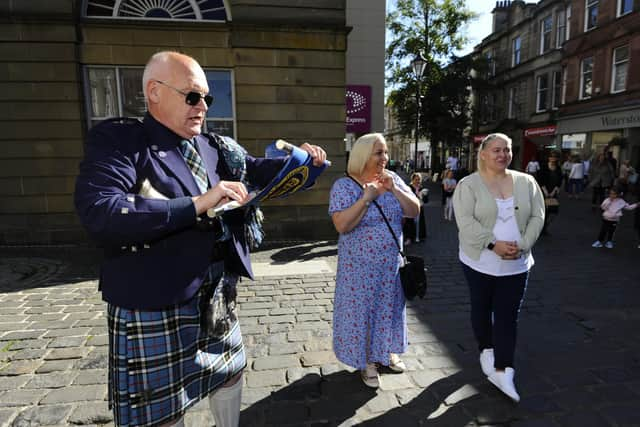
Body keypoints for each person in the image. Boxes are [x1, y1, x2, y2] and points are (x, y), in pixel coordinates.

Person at [74, 51, 326, 427]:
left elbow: (256, 172)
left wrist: (304, 165)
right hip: (153, 297)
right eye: (192, 96)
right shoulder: (121, 140)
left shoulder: (213, 146)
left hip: (215, 291)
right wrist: (195, 205)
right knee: (160, 412)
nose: (203, 107)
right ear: (154, 92)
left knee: (231, 372)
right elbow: (100, 210)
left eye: (207, 98)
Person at [452, 133, 544, 403]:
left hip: (517, 264)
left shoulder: (527, 182)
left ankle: (504, 369)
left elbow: (538, 215)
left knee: (507, 315)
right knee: (481, 308)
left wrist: (523, 244)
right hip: (478, 262)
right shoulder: (468, 185)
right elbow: (465, 223)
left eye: (507, 150)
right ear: (482, 153)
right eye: (496, 150)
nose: (502, 154)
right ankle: (486, 349)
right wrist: (494, 245)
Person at [329, 133, 420, 388]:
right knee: (364, 313)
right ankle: (368, 361)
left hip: (390, 265)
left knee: (390, 308)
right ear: (363, 155)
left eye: (385, 153)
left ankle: (387, 351)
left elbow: (414, 210)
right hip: (359, 269)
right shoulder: (344, 186)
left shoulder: (393, 178)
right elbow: (342, 225)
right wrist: (366, 198)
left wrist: (393, 189)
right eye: (378, 153)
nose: (384, 158)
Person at [538, 154, 563, 235]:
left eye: (554, 157)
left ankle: (545, 227)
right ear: (549, 158)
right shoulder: (544, 167)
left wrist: (554, 190)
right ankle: (542, 229)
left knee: (553, 212)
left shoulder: (558, 168)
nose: (553, 159)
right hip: (544, 192)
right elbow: (540, 180)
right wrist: (545, 192)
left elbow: (560, 180)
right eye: (551, 157)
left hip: (553, 193)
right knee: (544, 211)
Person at [403, 172, 427, 244]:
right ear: (412, 180)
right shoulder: (409, 188)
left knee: (419, 223)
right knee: (410, 222)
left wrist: (424, 196)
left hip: (420, 207)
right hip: (411, 207)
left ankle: (419, 236)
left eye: (419, 179)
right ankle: (409, 238)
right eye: (416, 179)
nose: (418, 181)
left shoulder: (422, 188)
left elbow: (426, 200)